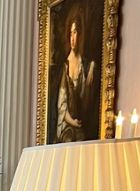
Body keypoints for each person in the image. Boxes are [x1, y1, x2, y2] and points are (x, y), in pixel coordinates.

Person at [55, 7, 96, 143]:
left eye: (75, 32)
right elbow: (62, 105)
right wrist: (72, 122)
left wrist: (91, 71)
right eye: (70, 33)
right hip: (68, 125)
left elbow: (85, 100)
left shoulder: (86, 65)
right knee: (70, 139)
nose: (73, 38)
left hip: (80, 125)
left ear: (80, 34)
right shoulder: (65, 66)